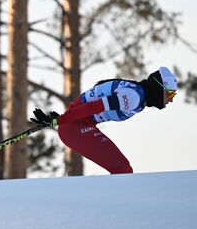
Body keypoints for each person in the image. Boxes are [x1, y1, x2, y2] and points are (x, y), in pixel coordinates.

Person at [30, 67, 178, 174]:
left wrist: (66, 116)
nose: (170, 101)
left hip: (76, 123)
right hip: (75, 127)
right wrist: (62, 120)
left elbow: (93, 99)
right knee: (122, 169)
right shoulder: (134, 96)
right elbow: (95, 107)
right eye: (170, 94)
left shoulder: (137, 93)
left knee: (123, 169)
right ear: (159, 88)